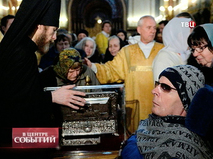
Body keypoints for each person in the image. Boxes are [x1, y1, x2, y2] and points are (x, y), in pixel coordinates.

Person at [0, 0, 86, 148]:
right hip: (16, 140)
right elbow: (13, 104)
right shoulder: (21, 54)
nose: (54, 37)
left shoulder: (22, 50)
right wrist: (53, 96)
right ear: (39, 26)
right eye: (53, 31)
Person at [85, 15, 164, 134]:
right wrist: (93, 66)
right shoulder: (127, 51)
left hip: (158, 103)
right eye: (149, 27)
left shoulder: (163, 50)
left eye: (154, 28)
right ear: (139, 30)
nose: (153, 31)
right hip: (134, 103)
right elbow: (112, 70)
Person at [121, 65, 213, 159]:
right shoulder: (150, 125)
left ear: (185, 99)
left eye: (165, 87)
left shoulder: (183, 151)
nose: (154, 91)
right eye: (158, 84)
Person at [152, 17, 192, 81]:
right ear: (180, 36)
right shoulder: (164, 57)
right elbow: (161, 86)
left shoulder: (188, 54)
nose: (192, 39)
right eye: (189, 35)